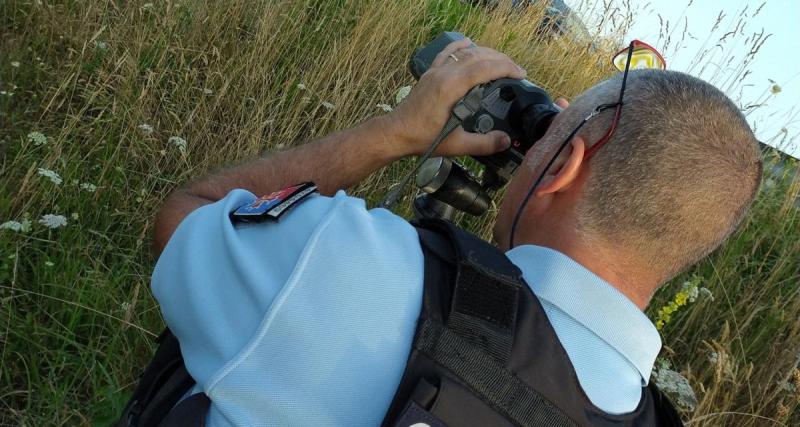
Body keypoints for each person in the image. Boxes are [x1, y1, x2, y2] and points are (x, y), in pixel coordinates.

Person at [121, 39, 762, 426]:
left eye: (557, 131)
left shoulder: (353, 269)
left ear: (563, 165)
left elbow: (186, 216)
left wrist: (396, 132)